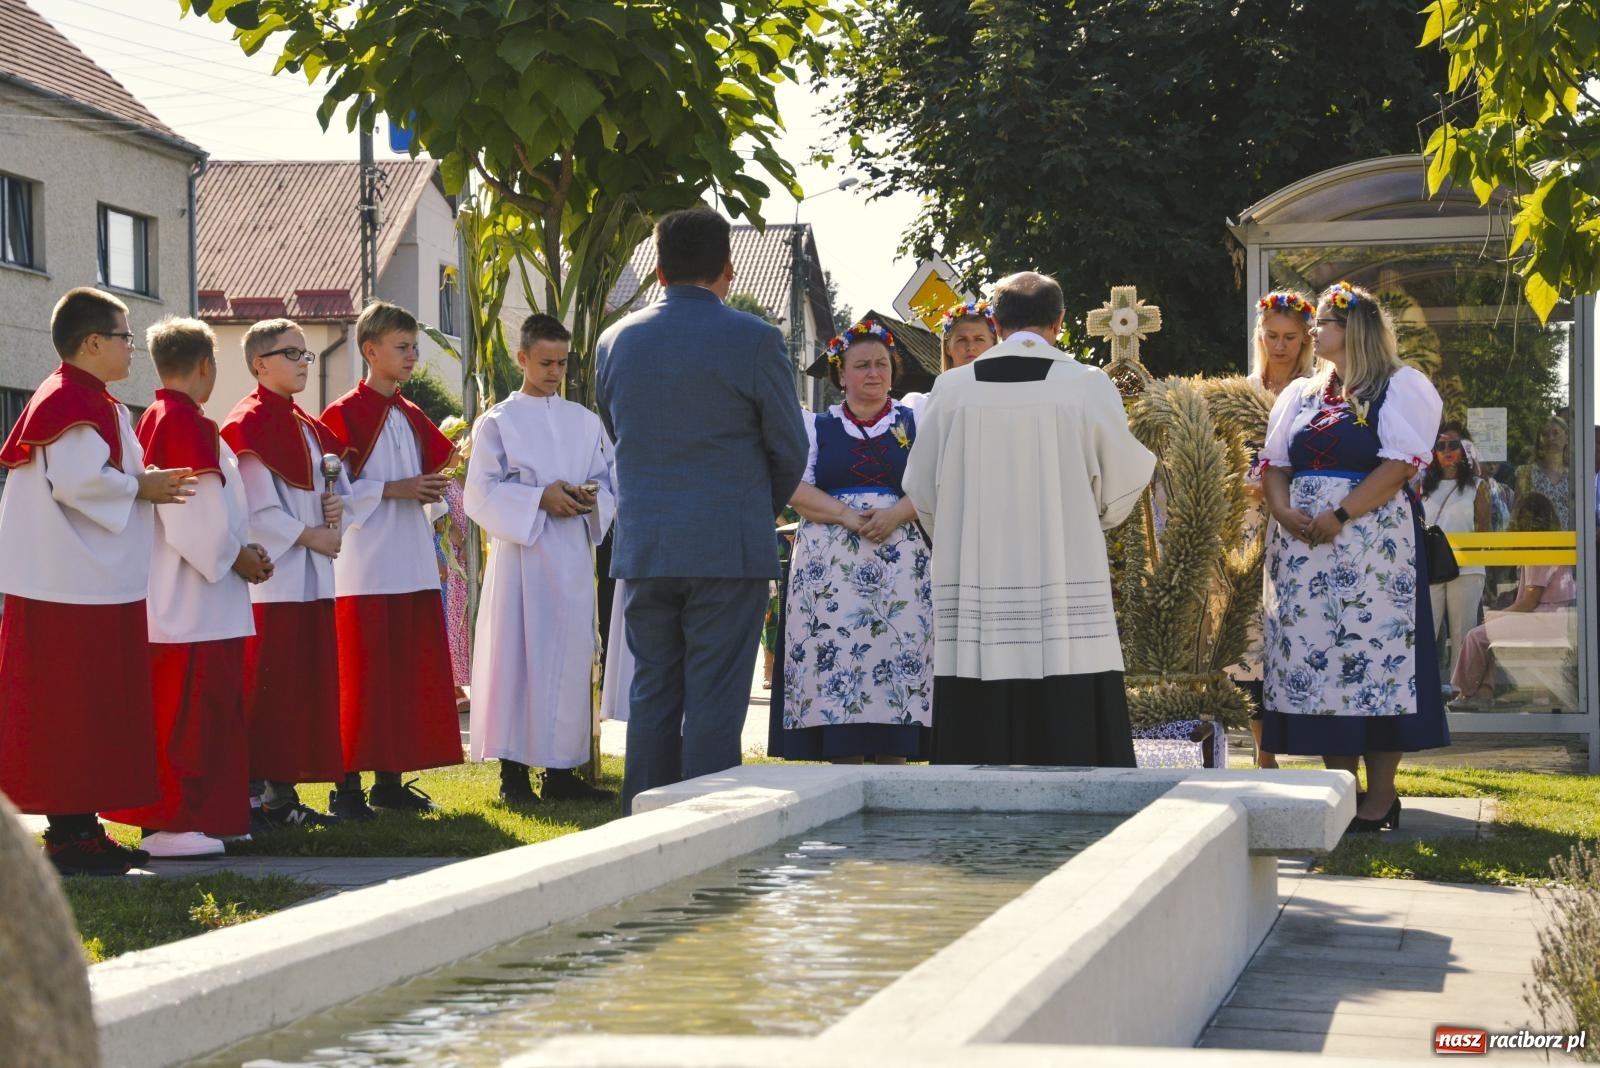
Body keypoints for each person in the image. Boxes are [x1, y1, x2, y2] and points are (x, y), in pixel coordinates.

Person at [596, 207, 808, 814]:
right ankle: (708, 829)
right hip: (728, 543)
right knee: (715, 696)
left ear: (657, 270)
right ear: (728, 268)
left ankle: (641, 823)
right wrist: (754, 508)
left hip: (646, 542)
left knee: (653, 689)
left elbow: (619, 429)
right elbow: (789, 447)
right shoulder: (756, 338)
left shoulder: (615, 340)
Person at [902, 271, 1155, 766]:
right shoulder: (1086, 385)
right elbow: (1125, 478)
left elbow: (920, 488)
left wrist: (957, 537)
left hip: (976, 578)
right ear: (1059, 322)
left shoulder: (952, 390)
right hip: (1064, 569)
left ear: (995, 325)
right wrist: (1086, 521)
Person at [0, 288, 195, 875]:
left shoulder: (89, 399)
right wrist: (144, 486)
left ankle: (80, 828)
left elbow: (104, 475)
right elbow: (81, 483)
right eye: (123, 337)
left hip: (87, 583)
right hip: (67, 586)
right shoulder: (70, 401)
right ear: (93, 343)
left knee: (91, 712)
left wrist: (142, 480)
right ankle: (68, 836)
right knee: (72, 712)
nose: (130, 348)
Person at [1258, 281, 1448, 834]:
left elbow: (1400, 465)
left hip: (1371, 549)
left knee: (1376, 660)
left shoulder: (1400, 386)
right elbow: (1274, 463)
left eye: (1323, 323)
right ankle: (1339, 786)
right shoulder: (1302, 394)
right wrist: (1281, 510)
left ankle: (1381, 797)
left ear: (1354, 328)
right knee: (1320, 664)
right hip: (1303, 552)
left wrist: (1340, 515)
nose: (1313, 333)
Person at [101, 317, 271, 858]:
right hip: (192, 599)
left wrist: (235, 549)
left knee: (189, 713)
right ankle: (171, 824)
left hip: (177, 595)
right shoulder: (186, 423)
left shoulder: (154, 417)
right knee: (190, 716)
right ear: (205, 365)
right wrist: (238, 556)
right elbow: (194, 518)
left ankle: (200, 818)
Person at [321, 301, 463, 817]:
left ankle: (388, 781)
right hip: (364, 567)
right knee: (361, 678)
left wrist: (427, 495)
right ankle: (347, 788)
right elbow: (333, 495)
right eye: (401, 348)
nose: (412, 356)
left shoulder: (407, 412)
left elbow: (424, 476)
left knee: (400, 677)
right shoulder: (342, 414)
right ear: (370, 350)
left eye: (413, 347)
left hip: (411, 562)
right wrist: (400, 489)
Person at [467, 314, 617, 804]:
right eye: (545, 362)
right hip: (523, 557)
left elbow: (610, 479)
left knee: (571, 658)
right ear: (523, 359)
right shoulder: (499, 422)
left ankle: (561, 771)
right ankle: (514, 775)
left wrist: (592, 497)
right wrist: (538, 499)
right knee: (518, 657)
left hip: (572, 552)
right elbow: (480, 494)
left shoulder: (584, 420)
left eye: (562, 363)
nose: (554, 372)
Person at [773, 321, 933, 763]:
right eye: (862, 365)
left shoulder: (917, 420)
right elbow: (793, 487)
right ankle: (839, 768)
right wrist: (846, 515)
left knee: (895, 654)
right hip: (831, 575)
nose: (874, 373)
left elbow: (938, 481)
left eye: (882, 364)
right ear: (841, 374)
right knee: (836, 658)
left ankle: (895, 767)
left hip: (899, 565)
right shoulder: (815, 426)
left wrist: (897, 513)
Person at [221, 318, 352, 830]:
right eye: (292, 353)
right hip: (274, 582)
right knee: (268, 691)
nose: (303, 362)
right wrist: (311, 536)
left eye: (306, 354)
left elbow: (312, 490)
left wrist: (333, 511)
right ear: (260, 364)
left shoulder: (304, 424)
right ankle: (259, 797)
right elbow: (257, 511)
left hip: (311, 578)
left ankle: (282, 795)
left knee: (297, 690)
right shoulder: (249, 422)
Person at [1239, 290, 1319, 769]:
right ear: (1260, 337)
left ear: (1307, 338)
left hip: (1297, 520)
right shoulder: (1244, 389)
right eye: (1272, 336)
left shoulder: (1318, 391)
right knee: (1248, 640)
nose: (1281, 345)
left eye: (1290, 337)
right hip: (1246, 523)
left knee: (1294, 629)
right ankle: (1262, 752)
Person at [1451, 492, 1574, 703]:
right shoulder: (1553, 544)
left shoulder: (1538, 549)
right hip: (1555, 618)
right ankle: (1483, 691)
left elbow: (1529, 601)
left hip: (1543, 621)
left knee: (1476, 635)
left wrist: (1496, 616)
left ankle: (1466, 692)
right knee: (1484, 634)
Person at [1422, 421, 1491, 683]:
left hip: (1468, 567)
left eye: (1454, 444)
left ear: (1465, 449)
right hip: (1433, 568)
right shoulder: (1423, 486)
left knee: (1464, 632)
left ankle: (1462, 690)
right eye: (1441, 445)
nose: (1447, 450)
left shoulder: (1476, 485)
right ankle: (1426, 690)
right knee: (1426, 631)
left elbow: (1484, 530)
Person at [439, 415, 473, 709]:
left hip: (475, 554)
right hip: (454, 555)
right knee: (455, 615)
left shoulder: (470, 476)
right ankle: (453, 684)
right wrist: (457, 539)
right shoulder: (444, 479)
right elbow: (439, 518)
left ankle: (470, 679)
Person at [1518, 415, 1573, 529]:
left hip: (1570, 543)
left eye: (1555, 433)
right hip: (1537, 543)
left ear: (1566, 437)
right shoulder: (1527, 473)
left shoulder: (1575, 476)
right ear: (1540, 441)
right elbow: (1517, 513)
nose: (1551, 438)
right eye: (1545, 434)